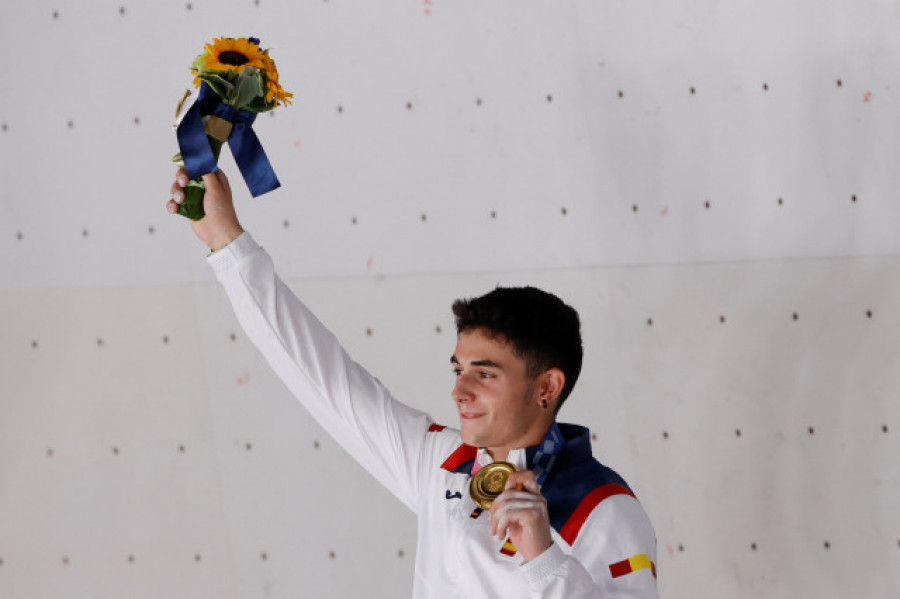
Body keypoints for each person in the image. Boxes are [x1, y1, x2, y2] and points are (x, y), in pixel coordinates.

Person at [167, 169, 660, 598]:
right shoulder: (441, 463)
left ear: (547, 386)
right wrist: (228, 243)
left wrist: (544, 559)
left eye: (484, 373)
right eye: (458, 370)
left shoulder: (604, 508)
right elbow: (321, 376)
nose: (459, 392)